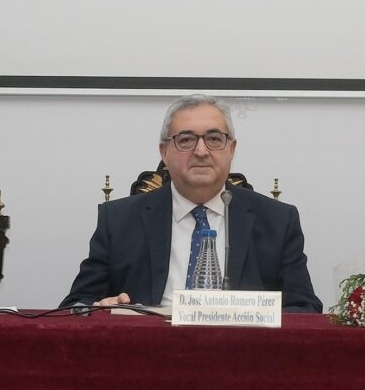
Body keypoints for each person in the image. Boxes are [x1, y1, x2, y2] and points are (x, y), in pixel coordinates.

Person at [62, 94, 322, 313]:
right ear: (164, 153)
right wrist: (100, 309)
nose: (200, 151)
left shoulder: (277, 220)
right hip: (148, 358)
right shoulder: (119, 220)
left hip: (242, 358)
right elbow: (75, 305)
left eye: (214, 139)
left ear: (231, 149)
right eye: (186, 140)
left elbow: (305, 309)